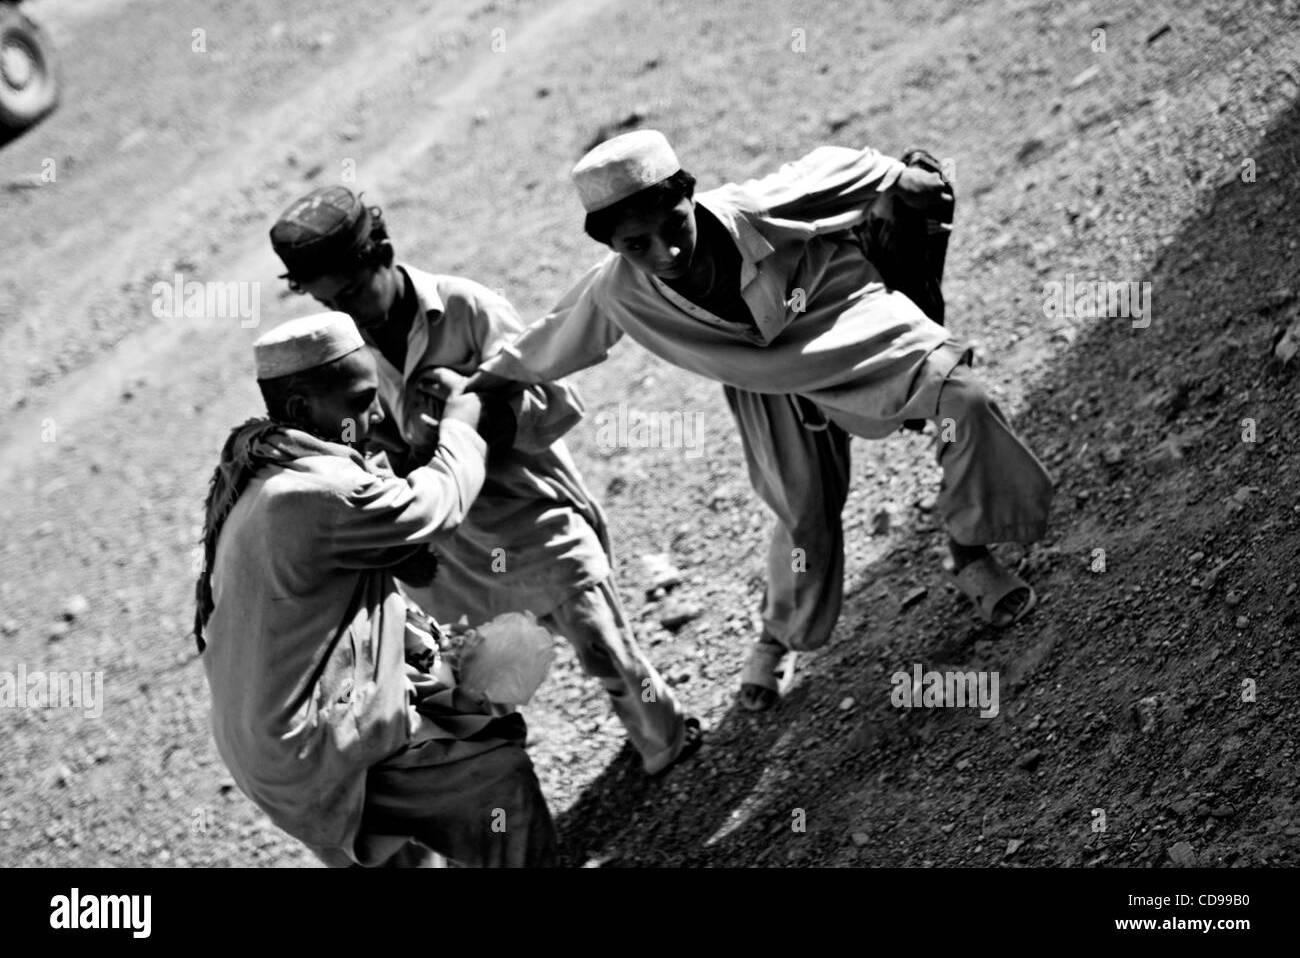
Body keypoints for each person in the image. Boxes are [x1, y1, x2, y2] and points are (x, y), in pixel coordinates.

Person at [469, 130, 1055, 712]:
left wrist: (895, 177)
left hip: (846, 326)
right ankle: (779, 634)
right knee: (802, 514)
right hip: (765, 385)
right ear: (612, 245)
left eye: (674, 224)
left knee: (964, 399)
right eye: (636, 244)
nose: (666, 253)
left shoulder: (757, 210)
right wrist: (482, 388)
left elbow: (833, 166)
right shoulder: (617, 292)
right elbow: (547, 342)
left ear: (690, 197)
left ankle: (970, 552)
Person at [267, 187, 701, 775]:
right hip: (457, 549)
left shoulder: (466, 307)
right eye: (330, 305)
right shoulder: (348, 346)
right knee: (479, 686)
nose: (350, 314)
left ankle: (668, 743)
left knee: (604, 646)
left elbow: (556, 404)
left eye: (352, 293)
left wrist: (469, 401)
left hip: (529, 515)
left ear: (385, 254)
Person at [194, 311, 555, 867]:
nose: (379, 412)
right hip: (315, 746)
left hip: (264, 746)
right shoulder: (313, 491)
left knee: (396, 851)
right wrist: (461, 423)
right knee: (497, 780)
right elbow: (437, 506)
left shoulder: (258, 469)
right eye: (361, 401)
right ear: (300, 410)